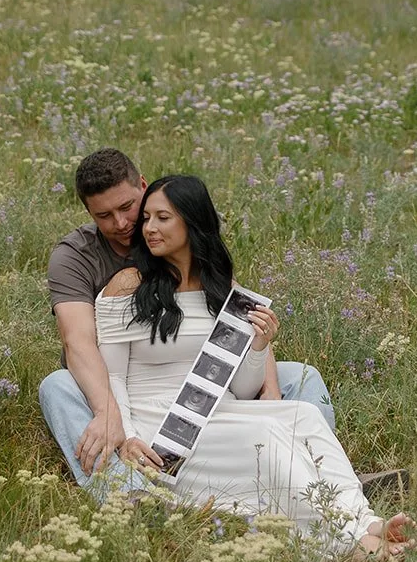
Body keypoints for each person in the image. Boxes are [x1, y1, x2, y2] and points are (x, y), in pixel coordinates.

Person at [97, 174, 414, 556]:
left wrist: (260, 346)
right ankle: (351, 542)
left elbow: (243, 389)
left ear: (192, 221)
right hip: (160, 425)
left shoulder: (221, 286)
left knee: (304, 416)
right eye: (146, 217)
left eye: (162, 218)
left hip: (220, 410)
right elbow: (111, 375)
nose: (149, 228)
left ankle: (365, 519)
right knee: (268, 432)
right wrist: (129, 437)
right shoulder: (129, 285)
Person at [39, 147, 336, 494]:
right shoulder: (75, 256)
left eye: (127, 207)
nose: (121, 223)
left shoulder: (175, 234)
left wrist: (269, 387)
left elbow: (235, 312)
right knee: (57, 386)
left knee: (301, 377)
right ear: (89, 212)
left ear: (144, 189)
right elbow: (78, 342)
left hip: (195, 374)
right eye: (104, 215)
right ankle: (126, 492)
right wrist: (108, 412)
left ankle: (325, 481)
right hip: (110, 381)